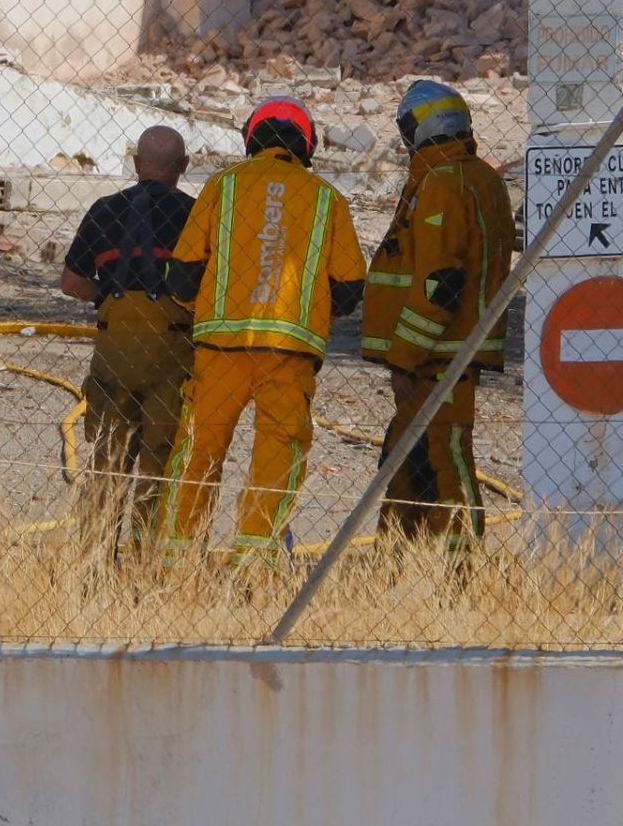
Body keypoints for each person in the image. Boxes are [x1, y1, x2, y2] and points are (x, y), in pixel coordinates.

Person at [158, 97, 367, 564]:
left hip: (219, 348)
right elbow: (352, 287)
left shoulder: (222, 185)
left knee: (199, 447)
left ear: (251, 138)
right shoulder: (326, 197)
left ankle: (177, 555)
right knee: (279, 450)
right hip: (290, 351)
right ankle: (258, 559)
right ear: (307, 144)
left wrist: (210, 304)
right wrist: (307, 307)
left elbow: (183, 274)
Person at [362, 80, 514, 551]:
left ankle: (461, 570)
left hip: (437, 357)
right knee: (405, 458)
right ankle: (392, 560)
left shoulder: (444, 182)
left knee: (447, 459)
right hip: (449, 350)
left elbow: (439, 283)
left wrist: (405, 358)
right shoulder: (478, 178)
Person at [59, 125, 196, 552]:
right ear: (184, 167)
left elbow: (71, 282)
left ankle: (95, 556)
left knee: (108, 460)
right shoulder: (195, 214)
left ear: (136, 165)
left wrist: (109, 295)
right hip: (172, 355)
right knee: (160, 461)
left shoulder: (103, 211)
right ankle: (144, 558)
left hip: (114, 353)